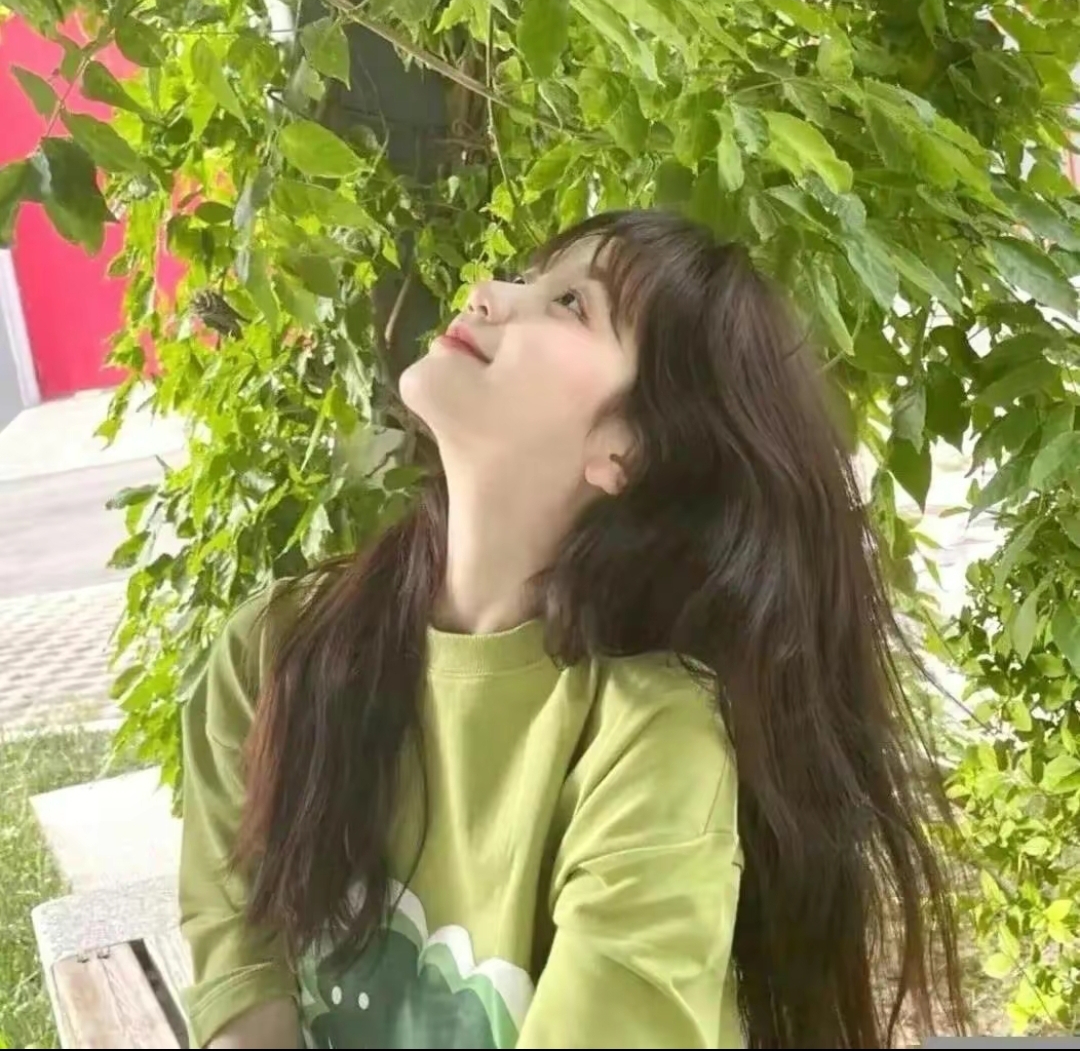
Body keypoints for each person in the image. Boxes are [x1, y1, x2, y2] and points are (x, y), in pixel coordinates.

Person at [178, 209, 964, 1049]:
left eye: (570, 304)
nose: (487, 293)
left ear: (627, 451)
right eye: (525, 277)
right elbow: (242, 981)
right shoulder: (278, 649)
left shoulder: (651, 741)